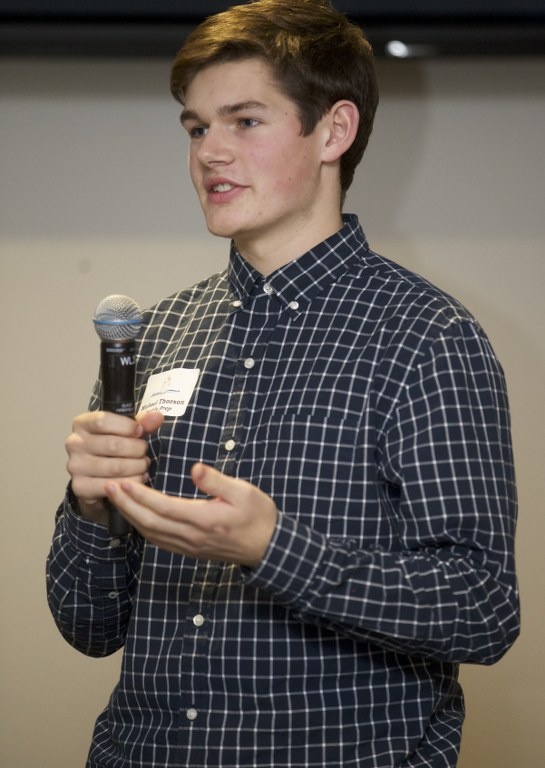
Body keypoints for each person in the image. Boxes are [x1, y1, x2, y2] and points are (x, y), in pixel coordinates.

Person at [46, 1, 520, 766]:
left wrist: (274, 548)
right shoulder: (154, 335)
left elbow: (481, 608)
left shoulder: (425, 337)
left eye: (244, 121)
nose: (210, 153)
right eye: (196, 128)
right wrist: (89, 506)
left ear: (333, 132)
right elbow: (88, 628)